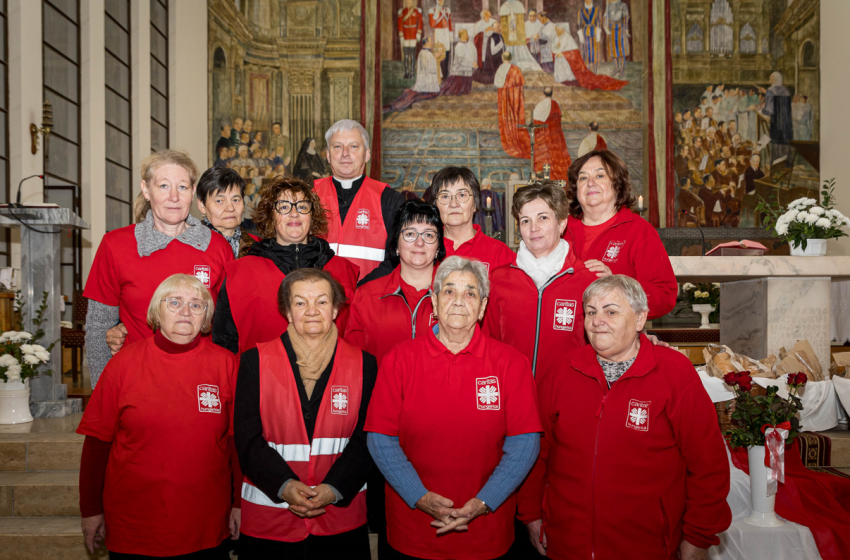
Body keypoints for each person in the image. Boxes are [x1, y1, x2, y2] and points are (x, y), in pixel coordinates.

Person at [518, 275, 732, 560]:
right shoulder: (561, 372)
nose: (597, 321)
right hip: (567, 542)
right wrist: (531, 515)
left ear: (640, 318)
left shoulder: (674, 373)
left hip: (647, 546)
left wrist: (698, 536)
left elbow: (708, 464)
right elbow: (536, 451)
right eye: (591, 312)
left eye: (611, 312)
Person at [365, 256, 542, 560]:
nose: (459, 301)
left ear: (483, 307)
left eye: (470, 293)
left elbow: (525, 444)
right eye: (449, 291)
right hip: (413, 530)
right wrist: (419, 497)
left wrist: (484, 502)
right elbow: (380, 439)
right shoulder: (399, 359)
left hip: (486, 532)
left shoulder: (511, 363)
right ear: (434, 302)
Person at [78, 274, 241, 558]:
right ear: (156, 311)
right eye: (174, 302)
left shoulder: (226, 364)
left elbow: (236, 443)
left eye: (196, 305)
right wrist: (91, 510)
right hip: (135, 522)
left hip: (204, 520)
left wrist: (239, 503)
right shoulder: (122, 365)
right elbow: (97, 443)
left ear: (206, 318)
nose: (185, 311)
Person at [235, 269, 376, 559]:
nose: (312, 311)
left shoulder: (365, 364)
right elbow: (247, 439)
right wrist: (284, 486)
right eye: (300, 303)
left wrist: (334, 488)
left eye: (321, 301)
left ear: (335, 309)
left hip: (340, 521)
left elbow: (369, 438)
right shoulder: (254, 361)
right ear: (287, 312)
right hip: (270, 521)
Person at [84, 150, 234, 388]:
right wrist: (103, 392)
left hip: (201, 379)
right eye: (164, 186)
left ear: (193, 192)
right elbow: (98, 326)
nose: (174, 197)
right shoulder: (116, 245)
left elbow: (229, 326)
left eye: (182, 187)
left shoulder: (217, 247)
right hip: (137, 381)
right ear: (146, 190)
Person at [212, 176, 359, 356]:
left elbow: (355, 341)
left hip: (332, 372)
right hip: (260, 372)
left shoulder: (345, 271)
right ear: (271, 216)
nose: (294, 213)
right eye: (283, 207)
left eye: (302, 207)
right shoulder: (239, 274)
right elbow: (224, 346)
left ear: (312, 216)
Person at [484, 181, 597, 382]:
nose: (533, 228)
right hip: (513, 390)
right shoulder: (498, 280)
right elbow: (489, 344)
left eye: (543, 218)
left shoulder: (588, 281)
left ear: (561, 223)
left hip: (567, 391)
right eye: (525, 221)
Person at [564, 150, 677, 320]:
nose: (590, 183)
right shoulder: (560, 229)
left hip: (614, 332)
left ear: (617, 184)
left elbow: (664, 295)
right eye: (583, 178)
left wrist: (618, 288)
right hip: (562, 327)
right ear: (576, 189)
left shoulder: (639, 230)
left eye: (600, 176)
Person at [345, 201, 445, 367]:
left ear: (438, 247)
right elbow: (354, 363)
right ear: (396, 244)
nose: (419, 242)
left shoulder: (454, 296)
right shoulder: (366, 297)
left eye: (428, 235)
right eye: (410, 234)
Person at [313, 119, 405, 280]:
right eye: (337, 146)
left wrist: (364, 290)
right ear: (328, 155)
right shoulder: (309, 197)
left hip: (372, 292)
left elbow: (397, 259)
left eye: (354, 146)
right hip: (318, 293)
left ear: (367, 154)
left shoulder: (390, 200)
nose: (345, 153)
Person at [426, 167, 515, 272]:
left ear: (475, 204)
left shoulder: (500, 253)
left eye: (462, 195)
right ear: (435, 205)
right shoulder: (423, 248)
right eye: (445, 196)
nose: (453, 204)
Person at [196, 167, 260, 258]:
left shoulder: (258, 246)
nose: (230, 208)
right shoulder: (188, 245)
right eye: (219, 201)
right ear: (202, 205)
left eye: (235, 200)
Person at [384, 36, 442, 112]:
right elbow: (431, 70)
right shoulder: (427, 54)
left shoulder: (422, 52)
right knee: (433, 94)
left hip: (423, 83)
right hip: (427, 85)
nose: (432, 43)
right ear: (426, 43)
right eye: (430, 41)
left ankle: (394, 105)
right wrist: (436, 57)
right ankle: (395, 106)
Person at [496, 52, 531, 159]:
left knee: (506, 115)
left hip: (505, 97)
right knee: (515, 115)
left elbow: (497, 83)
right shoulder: (516, 69)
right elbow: (520, 85)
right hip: (515, 97)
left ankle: (509, 132)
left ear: (502, 58)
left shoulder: (500, 69)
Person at [532, 87, 571, 180]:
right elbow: (558, 120)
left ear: (543, 94)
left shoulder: (540, 105)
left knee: (543, 155)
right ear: (552, 93)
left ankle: (542, 173)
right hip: (554, 136)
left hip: (543, 136)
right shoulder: (556, 105)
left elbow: (536, 122)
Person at [440, 29, 477, 97]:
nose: (467, 35)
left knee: (467, 91)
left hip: (468, 70)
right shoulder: (459, 46)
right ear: (462, 35)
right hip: (459, 70)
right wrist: (471, 64)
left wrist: (474, 62)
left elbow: (474, 54)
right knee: (455, 90)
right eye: (466, 34)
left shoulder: (471, 44)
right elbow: (460, 61)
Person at [397, 0, 423, 79]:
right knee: (405, 54)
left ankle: (412, 72)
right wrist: (401, 35)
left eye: (410, 0)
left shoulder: (416, 11)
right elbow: (400, 23)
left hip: (413, 34)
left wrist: (418, 33)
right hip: (405, 35)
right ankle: (406, 72)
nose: (409, 2)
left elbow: (420, 22)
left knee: (412, 54)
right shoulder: (402, 11)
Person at [604, 0, 630, 78]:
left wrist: (626, 30)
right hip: (611, 29)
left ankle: (622, 70)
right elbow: (605, 17)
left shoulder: (623, 5)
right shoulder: (608, 6)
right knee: (613, 49)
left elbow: (626, 17)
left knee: (622, 50)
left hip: (620, 28)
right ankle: (617, 67)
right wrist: (605, 28)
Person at [428, 0, 453, 79]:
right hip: (438, 32)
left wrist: (450, 34)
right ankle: (441, 74)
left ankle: (446, 73)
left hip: (446, 32)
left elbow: (449, 23)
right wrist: (437, 12)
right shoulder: (432, 10)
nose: (441, 1)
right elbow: (432, 25)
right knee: (440, 52)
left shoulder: (447, 10)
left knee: (447, 51)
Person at [577, 0, 602, 73]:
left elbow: (599, 22)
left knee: (595, 51)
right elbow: (579, 24)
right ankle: (588, 70)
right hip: (585, 33)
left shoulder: (597, 10)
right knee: (586, 51)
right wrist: (580, 35)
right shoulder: (581, 11)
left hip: (594, 32)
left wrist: (598, 33)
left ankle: (595, 70)